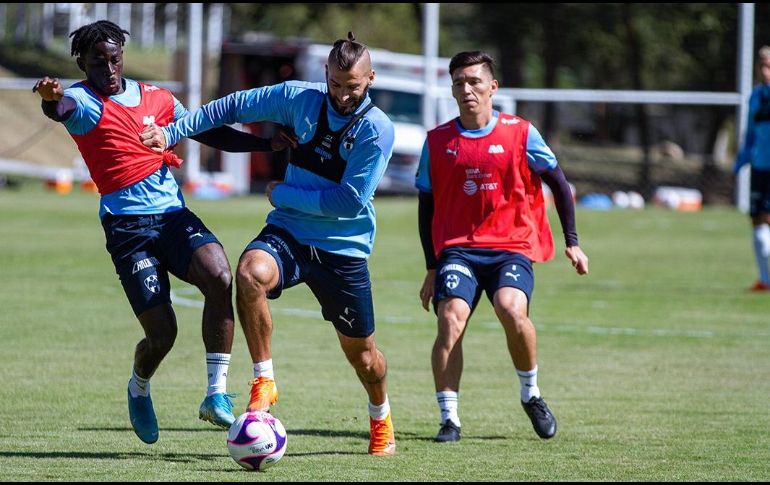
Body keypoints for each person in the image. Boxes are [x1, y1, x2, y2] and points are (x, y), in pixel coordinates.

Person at [33, 20, 293, 444]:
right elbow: (59, 110)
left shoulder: (157, 97)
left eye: (115, 59)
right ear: (82, 62)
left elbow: (205, 131)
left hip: (172, 215)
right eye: (99, 61)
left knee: (220, 275)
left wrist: (265, 144)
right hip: (127, 228)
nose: (109, 69)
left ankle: (215, 395)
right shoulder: (81, 100)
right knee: (163, 334)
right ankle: (138, 385)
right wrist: (51, 98)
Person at [140, 33, 397, 456]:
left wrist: (281, 194)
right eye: (335, 84)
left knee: (364, 357)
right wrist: (173, 132)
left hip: (342, 247)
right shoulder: (300, 99)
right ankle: (264, 379)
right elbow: (234, 105)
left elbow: (349, 201)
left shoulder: (376, 129)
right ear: (325, 75)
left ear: (370, 79)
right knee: (248, 273)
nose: (343, 95)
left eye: (353, 86)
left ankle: (380, 415)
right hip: (290, 233)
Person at [415, 51, 589, 443]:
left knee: (512, 309)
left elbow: (559, 184)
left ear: (493, 86)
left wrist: (573, 243)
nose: (467, 89)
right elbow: (426, 206)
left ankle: (531, 394)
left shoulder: (521, 133)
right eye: (459, 82)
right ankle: (449, 419)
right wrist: (432, 266)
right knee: (450, 320)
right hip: (458, 250)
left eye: (475, 81)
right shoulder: (437, 141)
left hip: (512, 245)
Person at [734, 46, 770, 292]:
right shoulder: (756, 96)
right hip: (760, 168)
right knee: (757, 223)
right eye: (762, 65)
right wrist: (740, 161)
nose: (766, 70)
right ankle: (765, 280)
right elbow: (749, 135)